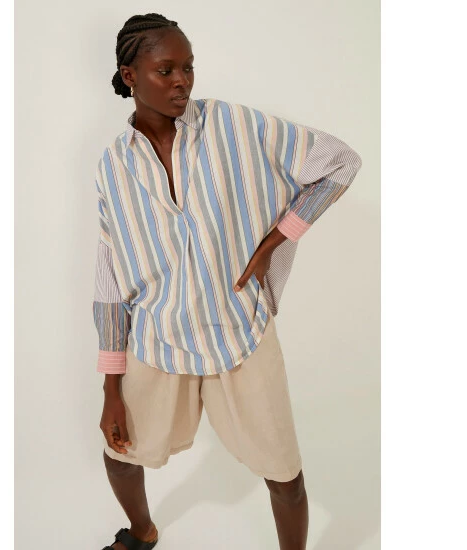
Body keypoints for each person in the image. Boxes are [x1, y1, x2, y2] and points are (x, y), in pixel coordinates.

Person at [92, 13, 362, 550]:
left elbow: (339, 162)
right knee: (120, 455)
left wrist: (276, 239)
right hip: (160, 335)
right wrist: (111, 389)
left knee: (285, 476)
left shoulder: (234, 126)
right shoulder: (112, 166)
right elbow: (109, 278)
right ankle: (143, 532)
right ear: (129, 76)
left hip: (240, 327)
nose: (182, 82)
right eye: (166, 70)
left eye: (188, 68)